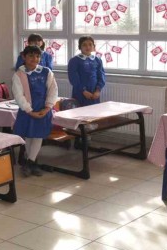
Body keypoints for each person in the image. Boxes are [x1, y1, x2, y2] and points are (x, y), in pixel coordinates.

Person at [12, 46, 59, 177]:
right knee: (29, 135)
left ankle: (30, 162)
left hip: (43, 109)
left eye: (37, 56)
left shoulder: (46, 72)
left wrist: (48, 107)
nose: (34, 59)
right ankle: (31, 163)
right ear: (24, 57)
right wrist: (29, 111)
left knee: (38, 136)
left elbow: (53, 90)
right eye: (31, 56)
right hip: (27, 110)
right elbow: (18, 95)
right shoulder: (19, 74)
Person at [68, 36, 106, 107]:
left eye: (90, 44)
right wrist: (83, 91)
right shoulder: (74, 60)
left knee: (94, 111)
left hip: (94, 93)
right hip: (80, 93)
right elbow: (73, 78)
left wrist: (98, 90)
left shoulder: (97, 60)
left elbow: (101, 76)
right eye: (84, 45)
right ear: (80, 47)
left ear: (93, 46)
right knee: (79, 112)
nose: (88, 47)